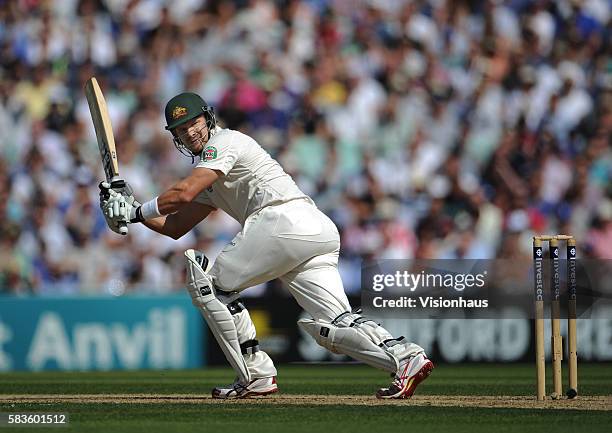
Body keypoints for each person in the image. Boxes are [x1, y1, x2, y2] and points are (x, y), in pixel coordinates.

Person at [100, 92, 434, 399]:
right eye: (181, 129)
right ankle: (407, 358)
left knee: (210, 289)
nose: (190, 133)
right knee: (334, 323)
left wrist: (134, 210)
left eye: (193, 123)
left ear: (208, 118)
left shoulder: (225, 142)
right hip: (313, 229)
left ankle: (255, 375)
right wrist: (130, 212)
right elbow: (175, 226)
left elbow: (183, 192)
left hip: (281, 220)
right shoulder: (210, 175)